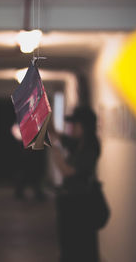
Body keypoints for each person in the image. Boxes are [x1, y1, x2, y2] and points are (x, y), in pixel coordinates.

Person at [50, 106, 101, 262]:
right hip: (71, 201)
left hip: (81, 205)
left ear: (85, 126)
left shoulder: (91, 146)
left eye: (76, 124)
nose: (72, 127)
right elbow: (55, 134)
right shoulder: (79, 142)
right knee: (68, 247)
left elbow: (68, 171)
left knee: (79, 248)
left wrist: (55, 153)